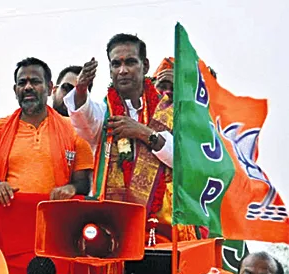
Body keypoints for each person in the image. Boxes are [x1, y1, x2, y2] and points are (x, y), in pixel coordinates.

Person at [64, 33, 196, 243]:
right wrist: (80, 89)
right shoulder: (105, 113)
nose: (122, 70)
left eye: (130, 62)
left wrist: (142, 132)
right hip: (115, 230)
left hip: (164, 227)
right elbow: (84, 119)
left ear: (145, 65)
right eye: (116, 64)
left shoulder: (170, 109)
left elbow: (184, 160)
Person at [0, 57, 93, 206]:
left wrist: (71, 188)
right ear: (15, 91)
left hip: (55, 219)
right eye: (22, 83)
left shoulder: (74, 129)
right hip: (9, 219)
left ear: (49, 88)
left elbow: (83, 183)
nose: (28, 87)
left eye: (35, 82)